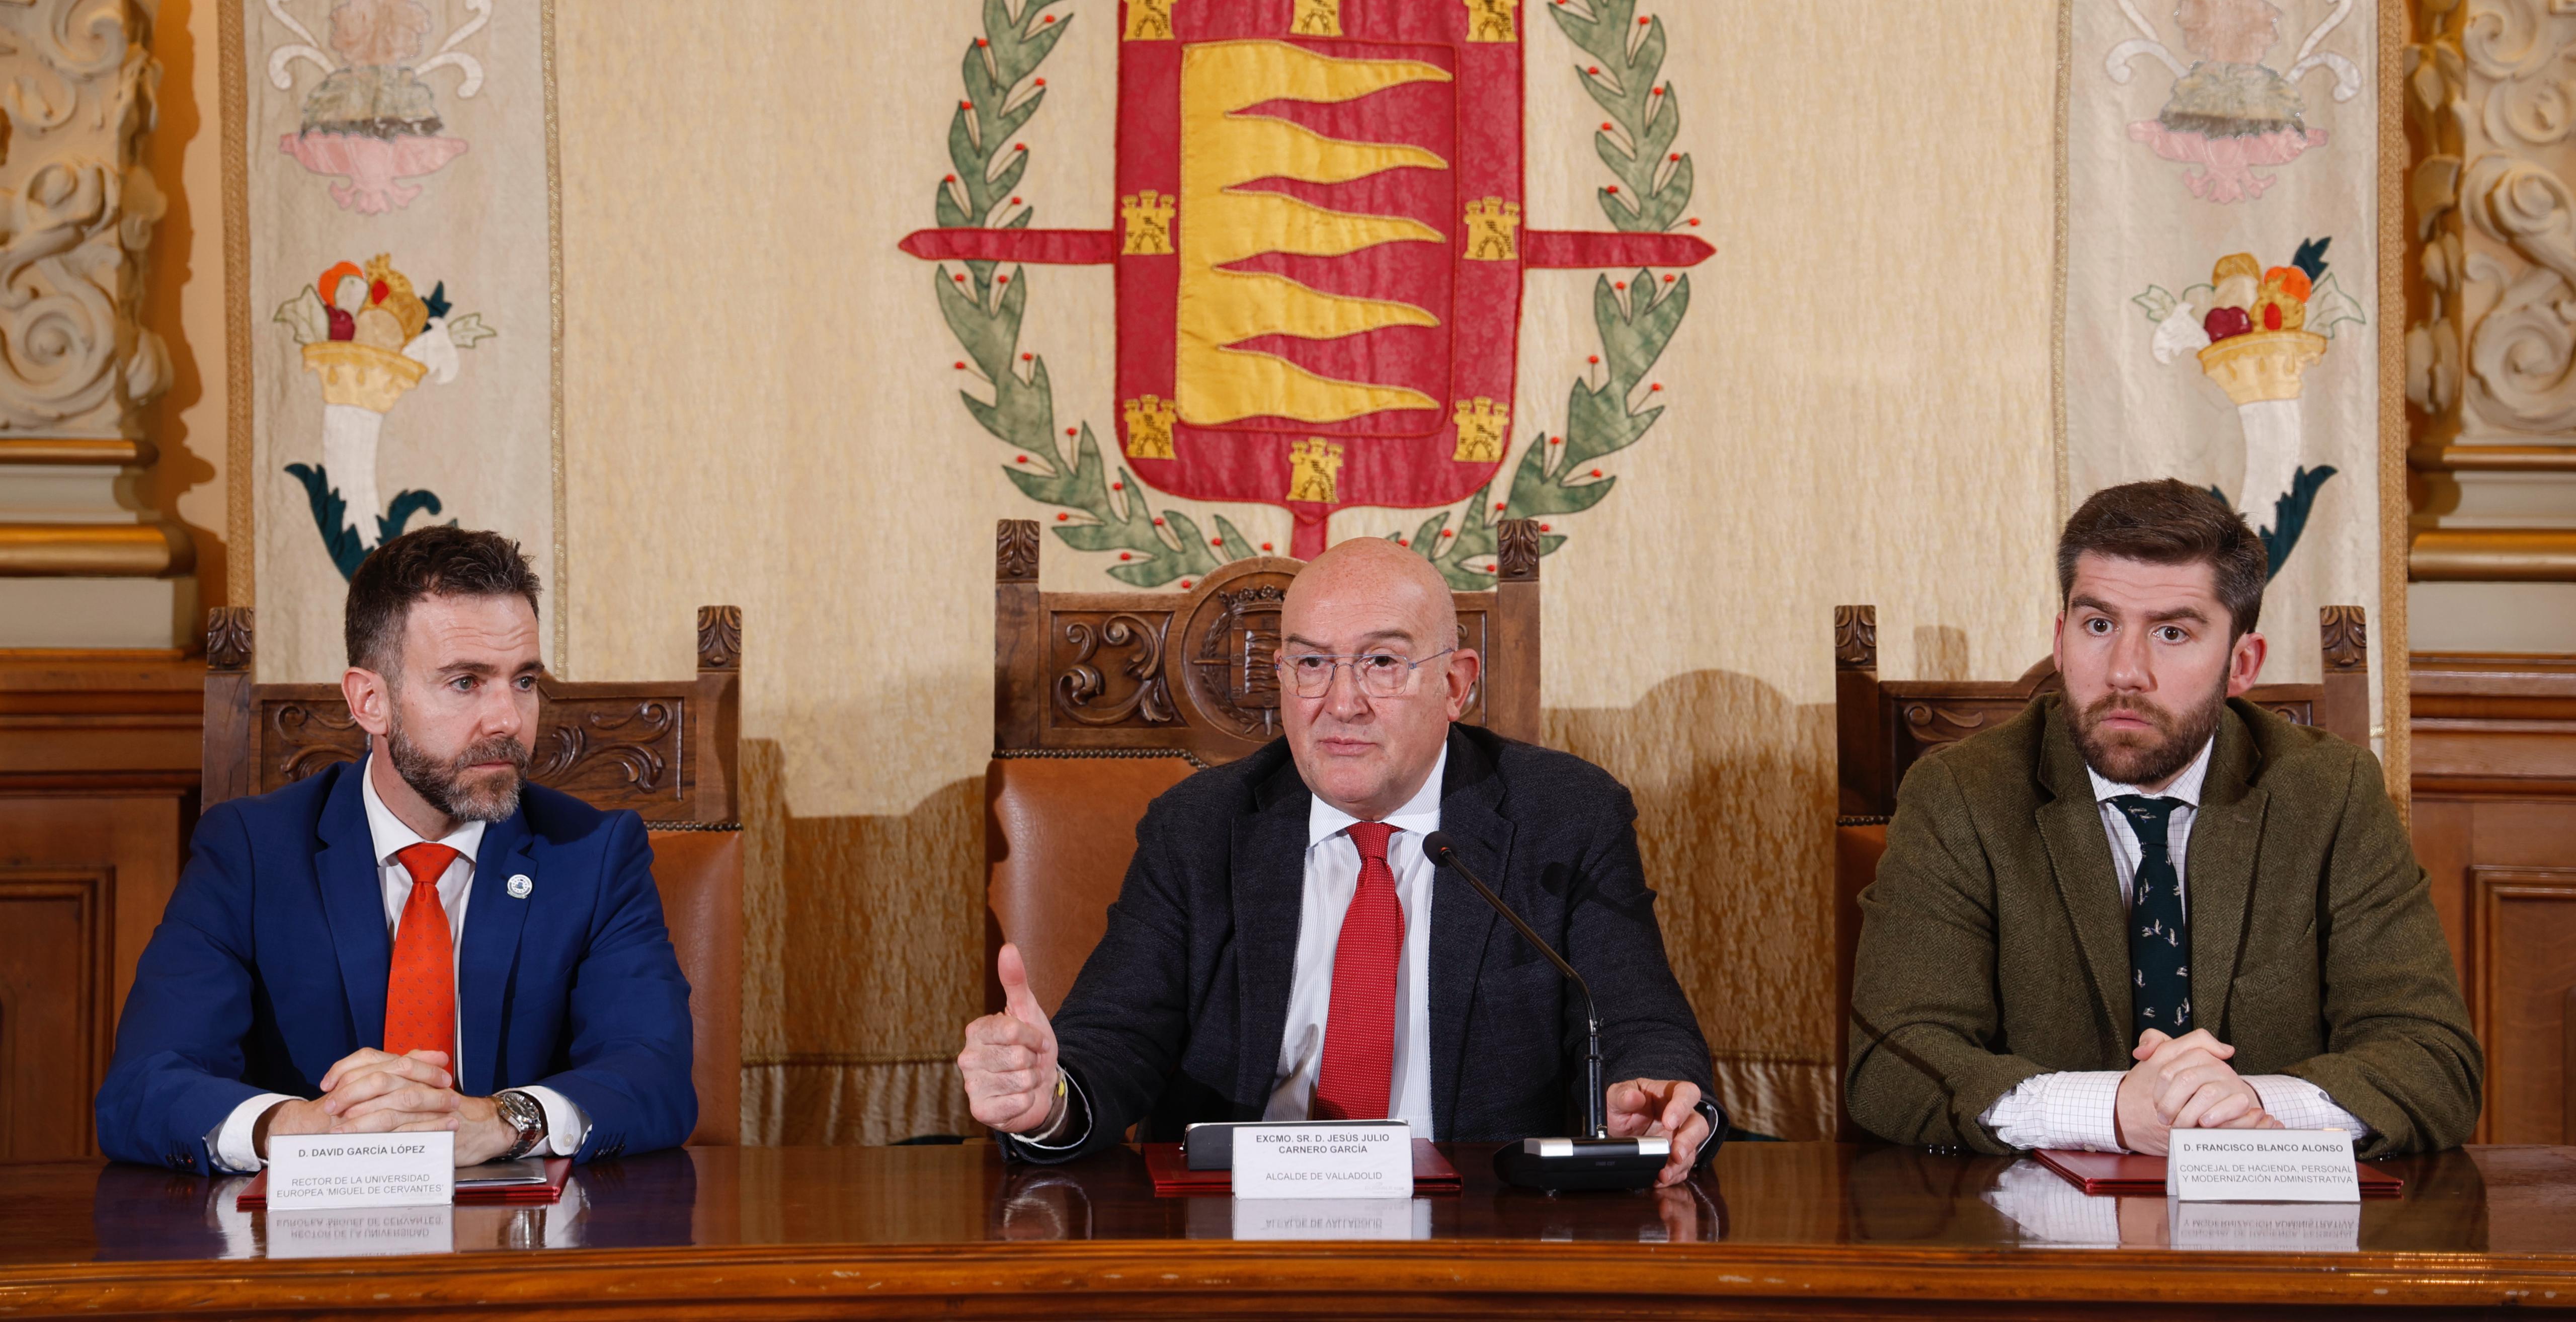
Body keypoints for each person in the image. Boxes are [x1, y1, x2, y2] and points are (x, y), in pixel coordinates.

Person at [956, 536, 1723, 1185]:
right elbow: (1115, 1038)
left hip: (1481, 1231)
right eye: (1312, 664)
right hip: (1235, 1231)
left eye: (1382, 661)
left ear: (1455, 683)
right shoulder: (1201, 826)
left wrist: (1653, 1096)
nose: (1342, 702)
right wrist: (1049, 1100)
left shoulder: (1563, 817)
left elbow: (1636, 1020)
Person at [1847, 480, 2480, 1157]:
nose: (2125, 671)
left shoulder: (2330, 792)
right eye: (2098, 625)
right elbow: (1891, 1060)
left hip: (2270, 1210)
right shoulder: (1961, 795)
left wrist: (2250, 1102)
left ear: (2241, 663)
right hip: (2034, 1216)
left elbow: (2433, 1060)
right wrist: (2114, 1110)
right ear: (2060, 640)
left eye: (2172, 632)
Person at [96, 527, 696, 1173]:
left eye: (524, 680)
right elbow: (144, 1085)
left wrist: (502, 1120)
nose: (507, 718)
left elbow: (654, 1073)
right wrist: (296, 1126)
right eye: (465, 681)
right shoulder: (250, 851)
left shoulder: (593, 853)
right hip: (307, 1226)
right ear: (370, 701)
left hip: (521, 1226)